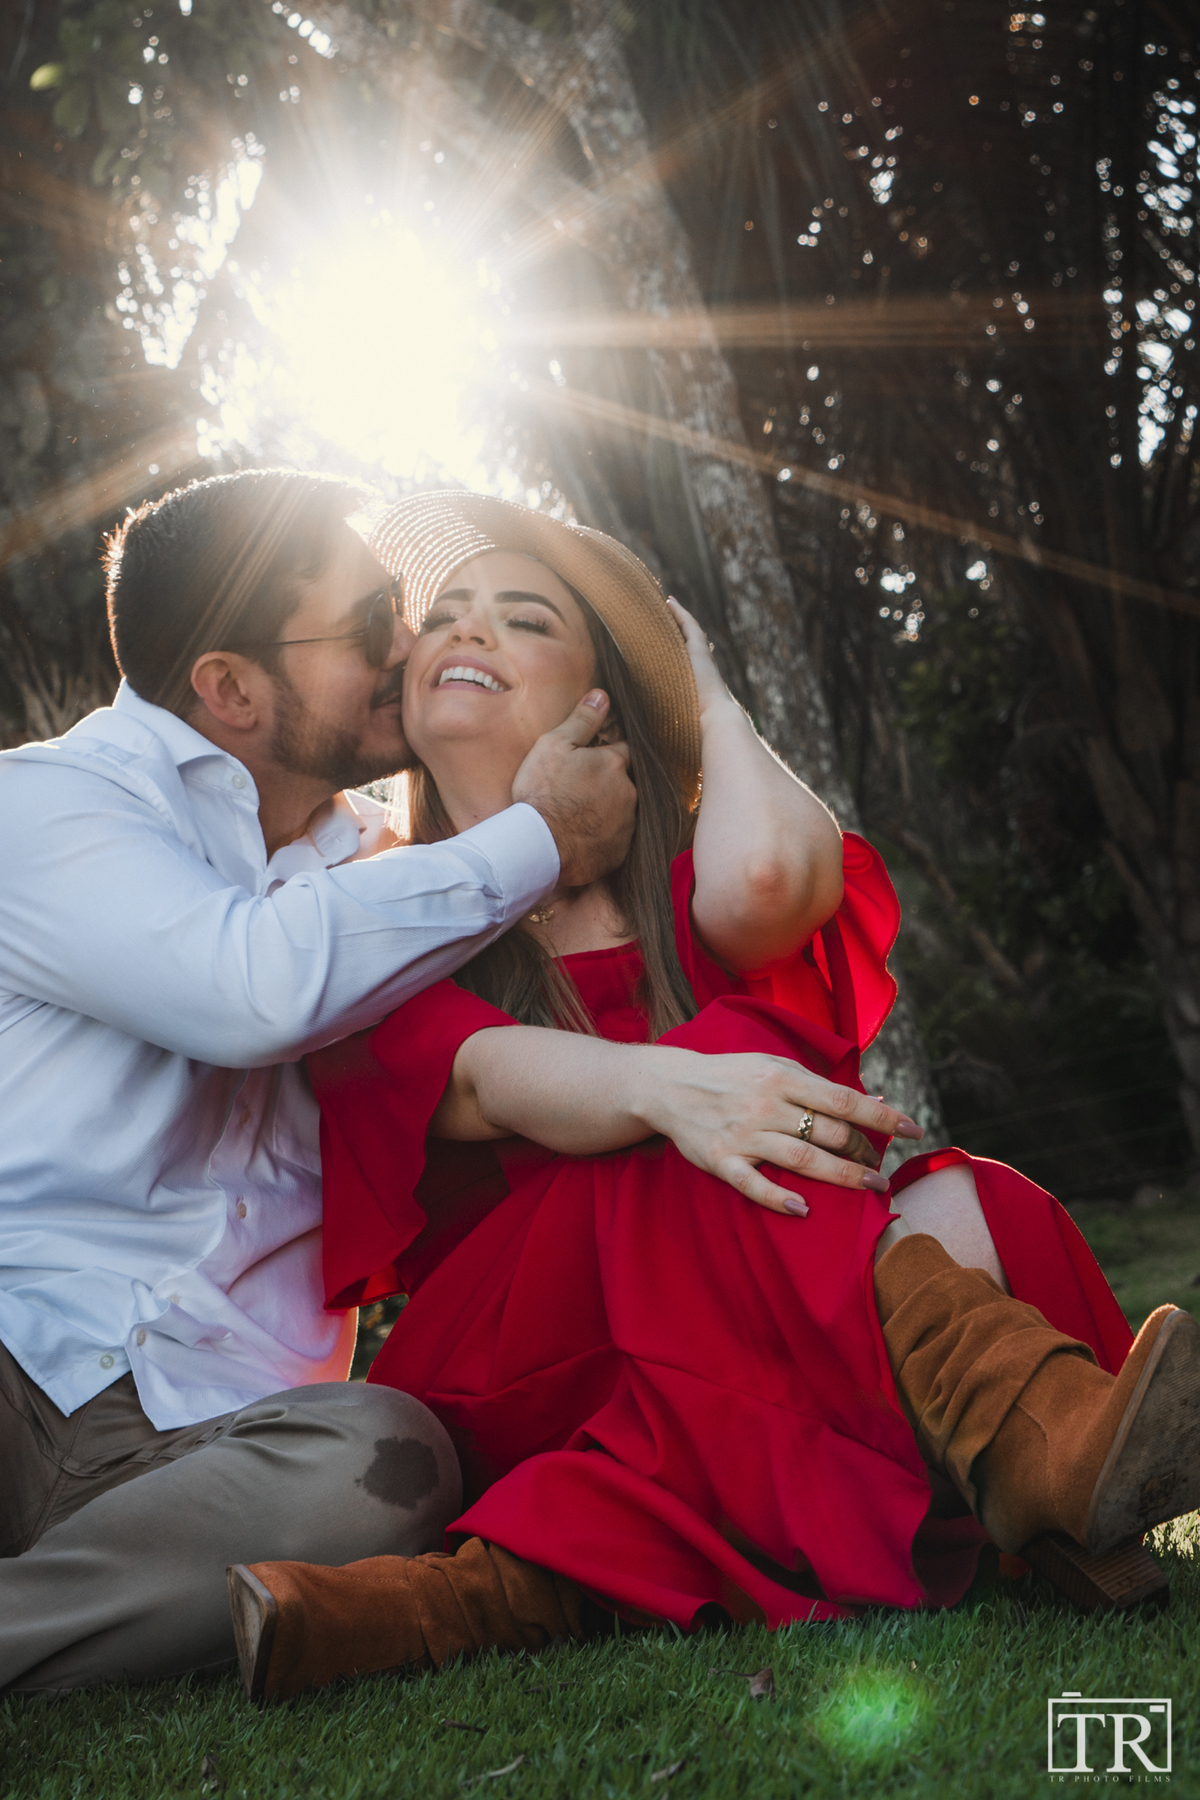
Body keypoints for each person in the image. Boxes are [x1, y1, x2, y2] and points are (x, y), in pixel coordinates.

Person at [229, 491, 1200, 1702]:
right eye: (446, 618)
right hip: (527, 1351)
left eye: (523, 618)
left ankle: (435, 1611)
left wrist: (704, 684)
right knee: (708, 1107)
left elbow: (771, 871)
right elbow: (496, 1078)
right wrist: (692, 1091)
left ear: (601, 696)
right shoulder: (386, 918)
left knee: (965, 1209)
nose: (467, 633)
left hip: (737, 1339)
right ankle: (1027, 1448)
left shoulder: (679, 898)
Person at [0, 470, 899, 1695]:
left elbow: (751, 885)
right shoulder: (50, 806)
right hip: (27, 1370)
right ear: (231, 690)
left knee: (388, 1460)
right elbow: (248, 988)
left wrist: (677, 714)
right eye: (369, 621)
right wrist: (535, 839)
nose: (406, 642)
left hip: (217, 1434)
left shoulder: (376, 869)